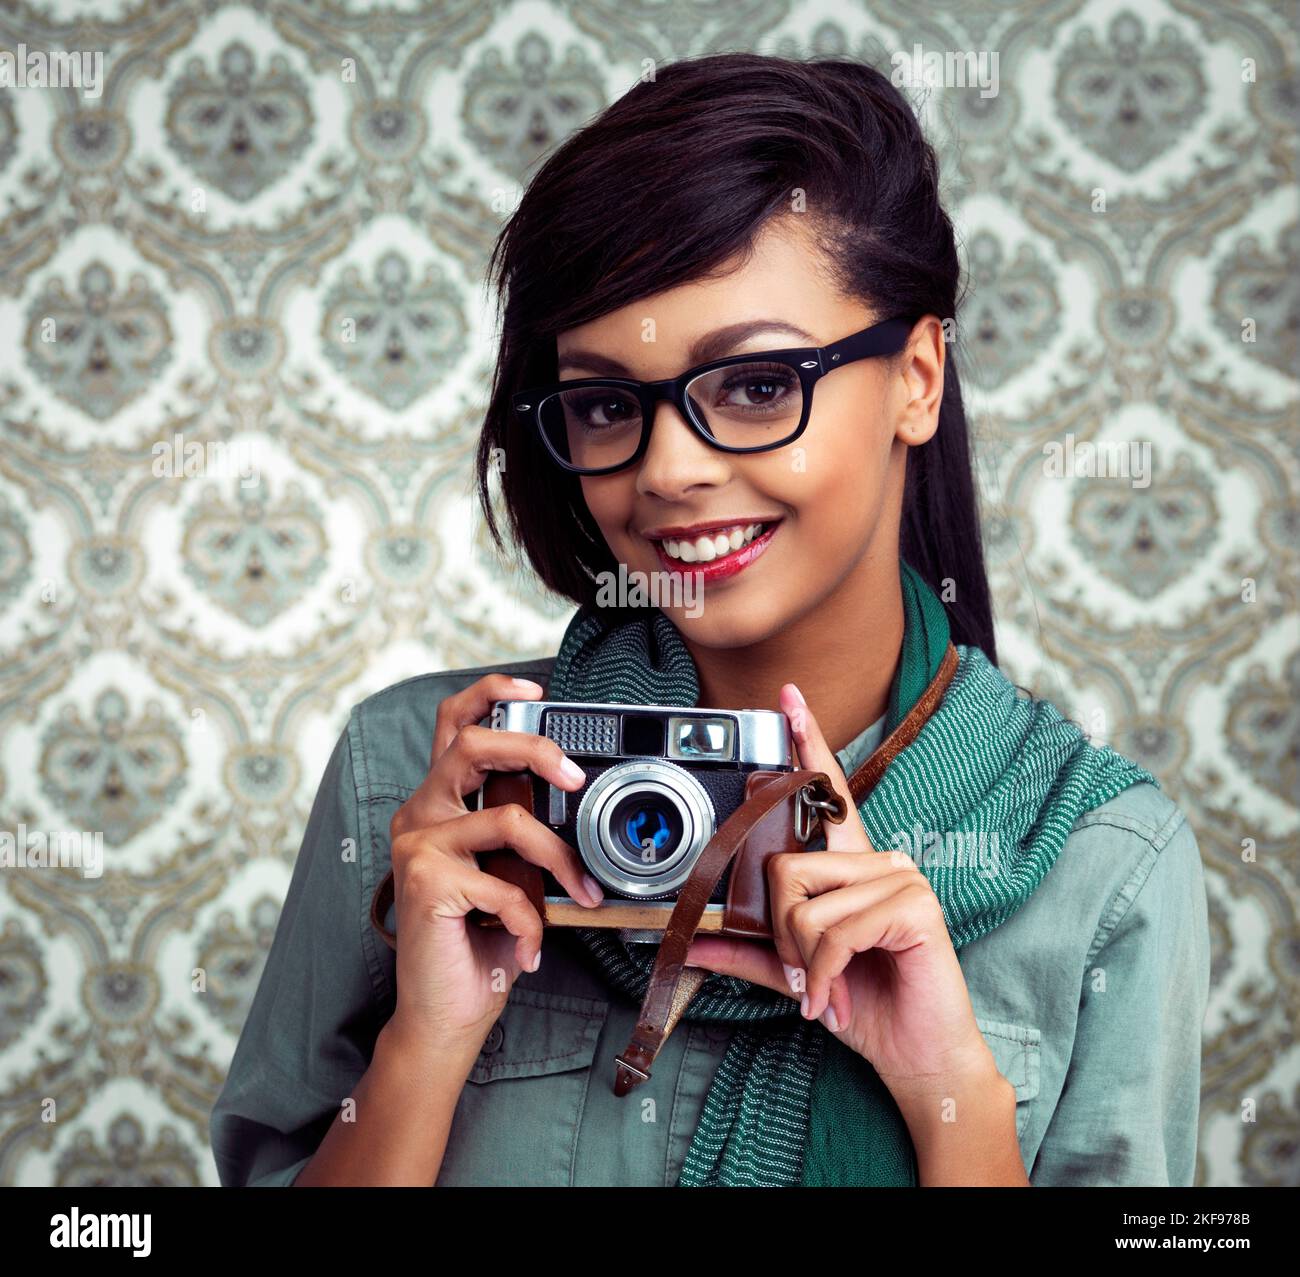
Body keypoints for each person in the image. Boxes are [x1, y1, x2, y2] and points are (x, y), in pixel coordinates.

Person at [210, 51, 1210, 1187]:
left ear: (917, 376)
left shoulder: (1100, 863)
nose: (668, 470)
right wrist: (426, 1042)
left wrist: (953, 1093)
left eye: (756, 385)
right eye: (603, 404)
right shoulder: (425, 780)